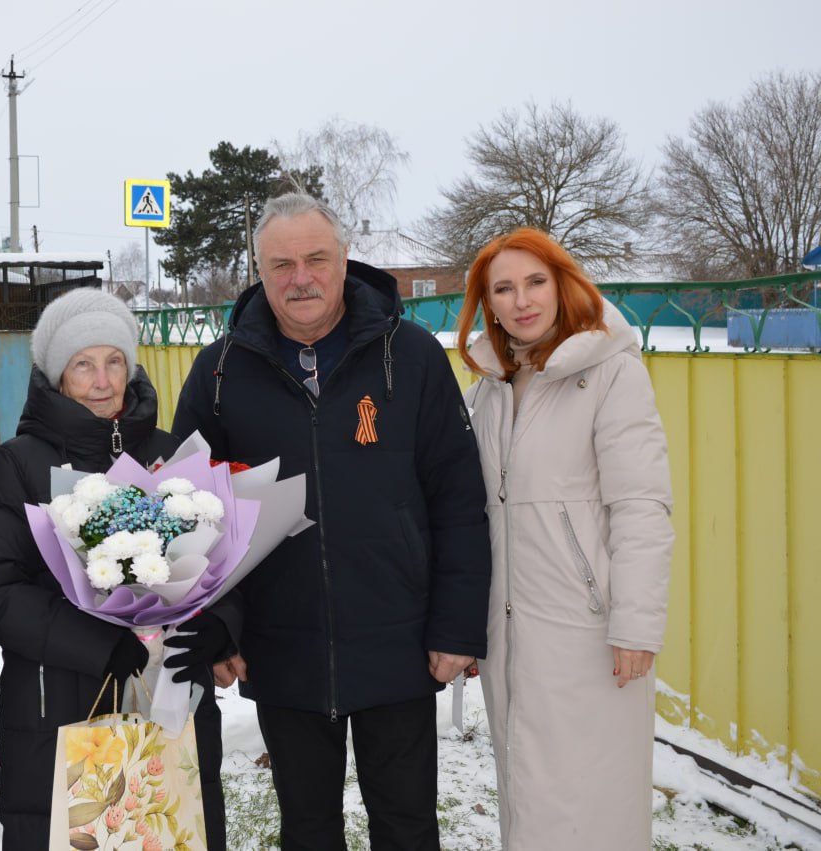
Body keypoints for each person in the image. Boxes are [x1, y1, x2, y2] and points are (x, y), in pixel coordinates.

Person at [172, 192, 492, 850]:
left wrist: (457, 625)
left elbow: (459, 498)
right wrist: (218, 630)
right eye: (281, 264)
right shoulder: (221, 371)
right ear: (260, 271)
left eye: (316, 258)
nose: (301, 278)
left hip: (399, 642)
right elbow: (190, 515)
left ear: (345, 259)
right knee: (308, 828)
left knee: (407, 826)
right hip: (281, 646)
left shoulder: (411, 356)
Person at [0, 287, 229, 850]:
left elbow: (224, 556)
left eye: (114, 362)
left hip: (172, 698)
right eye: (84, 364)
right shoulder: (19, 465)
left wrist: (222, 625)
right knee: (74, 835)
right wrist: (98, 644)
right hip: (59, 708)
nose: (103, 381)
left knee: (170, 827)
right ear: (58, 375)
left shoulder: (171, 453)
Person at [457, 227, 672, 849]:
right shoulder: (487, 391)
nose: (522, 300)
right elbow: (472, 514)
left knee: (593, 804)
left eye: (535, 282)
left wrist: (636, 626)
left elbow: (642, 506)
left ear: (563, 284)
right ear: (488, 303)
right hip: (508, 633)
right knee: (527, 797)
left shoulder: (611, 374)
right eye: (504, 288)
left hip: (589, 634)